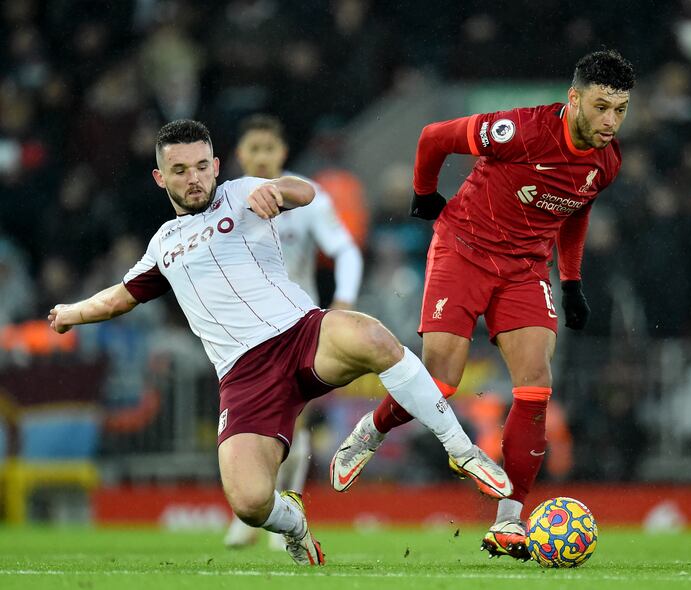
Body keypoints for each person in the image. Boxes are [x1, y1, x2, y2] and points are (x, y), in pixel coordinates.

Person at [47, 119, 511, 566]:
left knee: (370, 334)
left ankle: (461, 450)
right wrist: (71, 313)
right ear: (159, 177)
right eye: (180, 170)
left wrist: (278, 190)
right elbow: (121, 297)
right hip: (244, 378)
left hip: (301, 335)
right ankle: (294, 525)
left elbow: (305, 192)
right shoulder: (162, 246)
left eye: (202, 166)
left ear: (216, 163)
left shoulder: (242, 192)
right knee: (249, 502)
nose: (194, 178)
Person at [330, 49, 635, 560]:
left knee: (536, 385)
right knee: (442, 380)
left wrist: (574, 280)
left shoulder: (607, 161)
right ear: (575, 97)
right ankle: (371, 429)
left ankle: (510, 519)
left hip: (525, 270)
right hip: (464, 250)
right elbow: (433, 137)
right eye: (602, 107)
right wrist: (425, 194)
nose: (610, 121)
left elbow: (576, 206)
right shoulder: (522, 130)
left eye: (621, 110)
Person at [223, 115, 364, 550]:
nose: (262, 156)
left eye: (270, 148)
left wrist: (344, 299)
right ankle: (255, 510)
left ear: (283, 153)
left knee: (295, 418)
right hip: (243, 332)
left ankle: (285, 506)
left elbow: (345, 250)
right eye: (254, 149)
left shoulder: (309, 198)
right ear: (240, 156)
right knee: (246, 421)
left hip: (296, 326)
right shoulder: (223, 204)